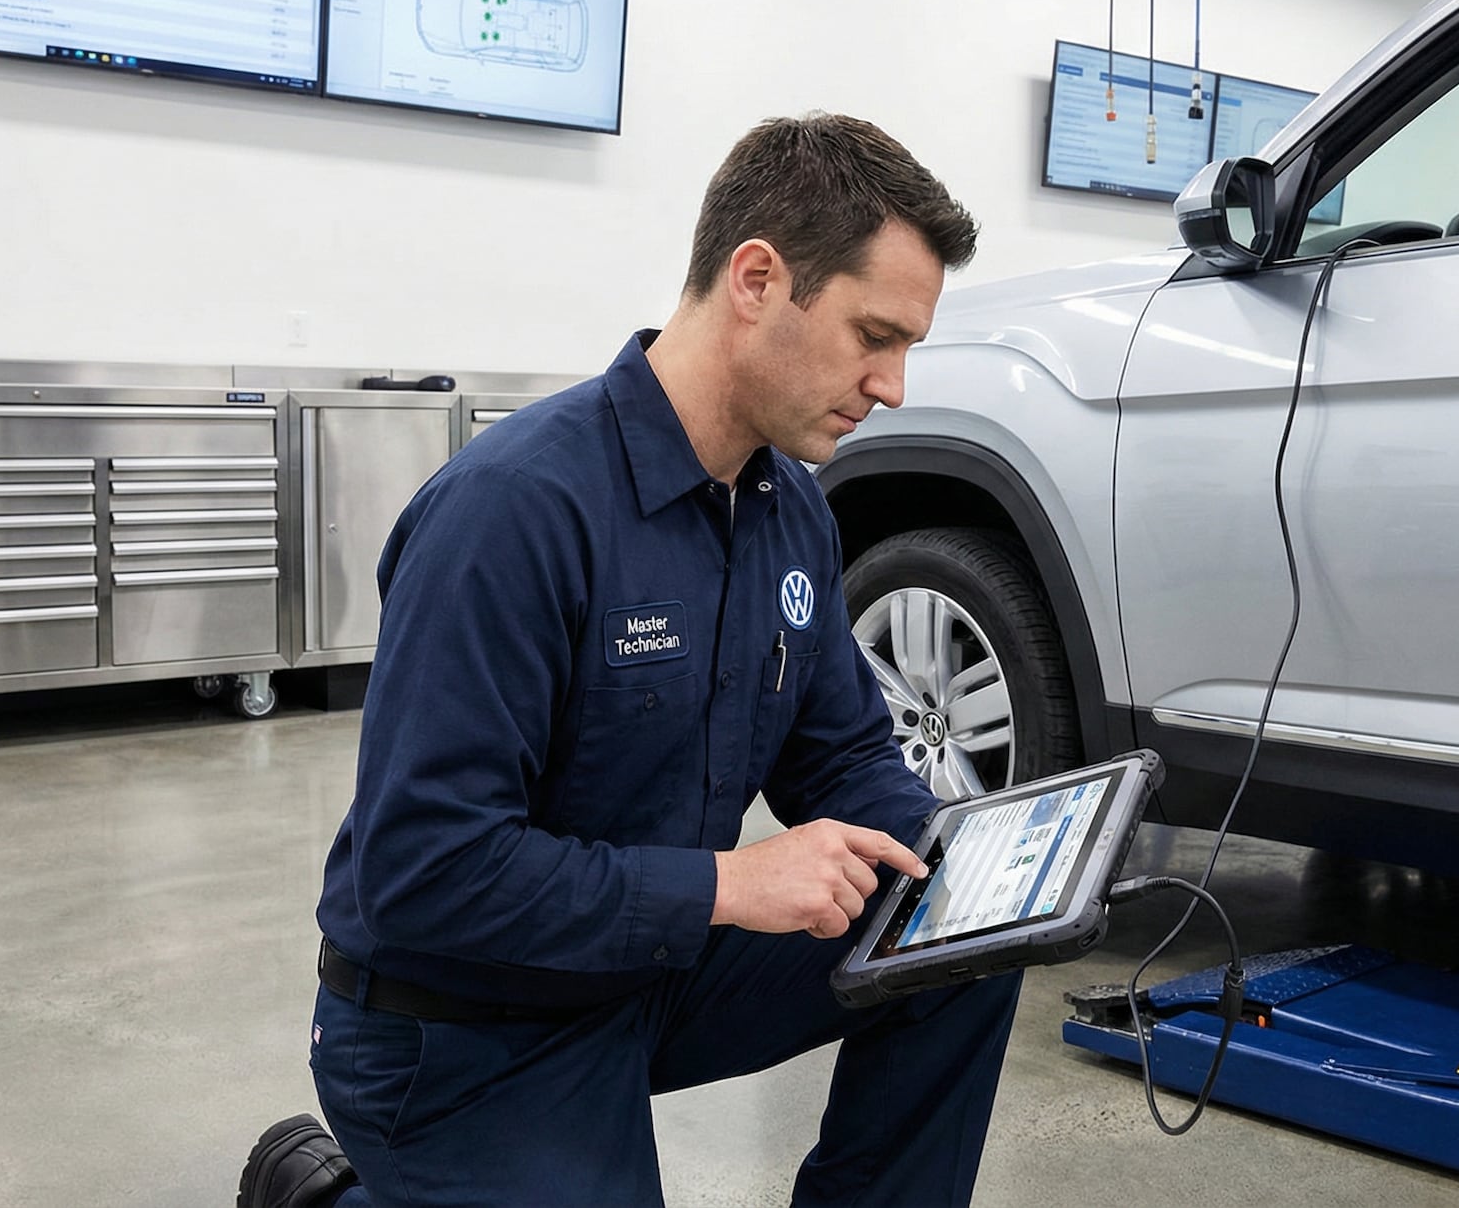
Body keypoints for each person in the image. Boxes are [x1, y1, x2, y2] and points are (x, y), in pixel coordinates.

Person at [238, 113, 1019, 1208]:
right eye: (872, 335)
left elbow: (842, 756)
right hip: (461, 1025)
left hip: (642, 969)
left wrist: (971, 862)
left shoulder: (789, 509)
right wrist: (729, 883)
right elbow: (424, 871)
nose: (891, 384)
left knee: (963, 939)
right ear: (757, 280)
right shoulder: (515, 511)